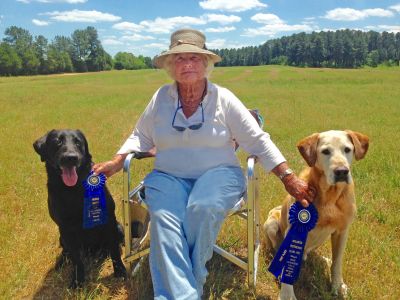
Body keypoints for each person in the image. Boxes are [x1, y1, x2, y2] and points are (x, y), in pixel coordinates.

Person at [93, 28, 315, 299]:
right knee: (164, 218)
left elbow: (257, 139)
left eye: (194, 58)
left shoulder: (224, 98)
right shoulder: (161, 98)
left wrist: (289, 177)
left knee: (202, 207)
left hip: (219, 174)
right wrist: (116, 162)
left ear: (206, 64)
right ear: (169, 66)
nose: (187, 64)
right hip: (168, 176)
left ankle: (187, 282)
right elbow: (140, 135)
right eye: (179, 59)